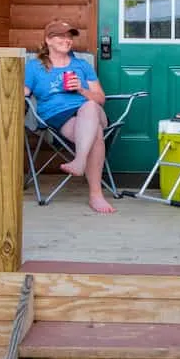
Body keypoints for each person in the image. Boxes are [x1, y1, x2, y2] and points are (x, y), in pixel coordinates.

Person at [24, 19, 116, 214]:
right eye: (61, 36)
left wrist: (81, 90)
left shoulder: (82, 65)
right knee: (96, 134)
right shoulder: (34, 67)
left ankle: (80, 160)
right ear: (48, 40)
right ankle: (95, 195)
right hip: (57, 116)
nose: (67, 40)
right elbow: (22, 93)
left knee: (90, 106)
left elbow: (100, 99)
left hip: (90, 109)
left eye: (69, 37)